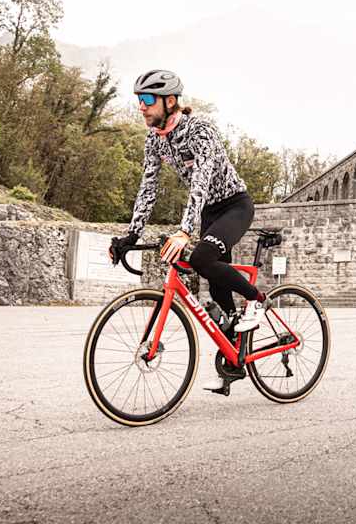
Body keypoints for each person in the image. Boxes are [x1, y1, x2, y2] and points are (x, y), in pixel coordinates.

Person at [108, 69, 267, 347]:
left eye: (147, 99)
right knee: (218, 289)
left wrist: (184, 231)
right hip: (209, 213)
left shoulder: (200, 130)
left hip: (234, 206)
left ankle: (257, 300)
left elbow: (200, 183)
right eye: (139, 99)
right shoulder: (154, 139)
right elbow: (148, 188)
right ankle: (234, 356)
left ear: (170, 101)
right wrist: (131, 235)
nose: (141, 106)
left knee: (201, 260)